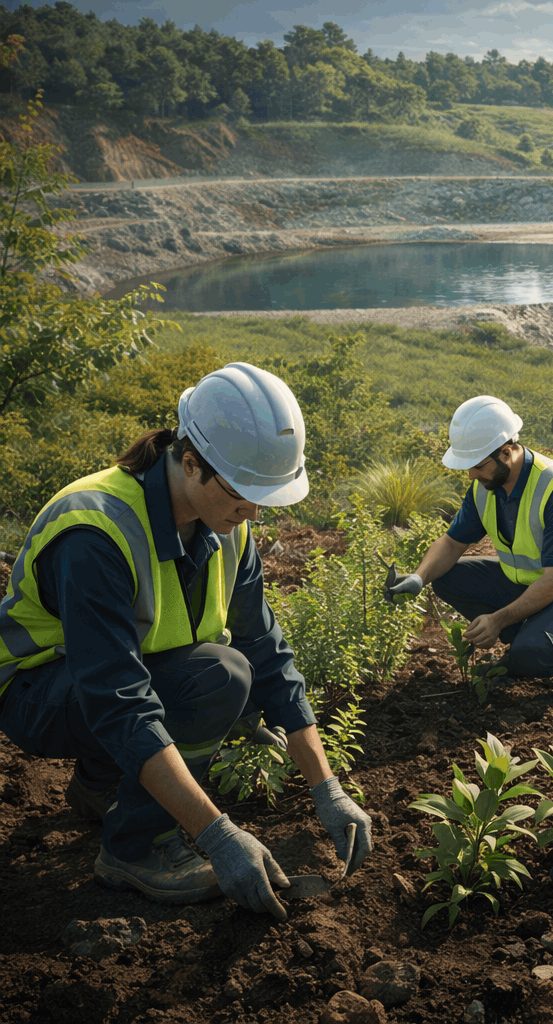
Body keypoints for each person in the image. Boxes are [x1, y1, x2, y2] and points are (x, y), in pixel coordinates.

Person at [0, 363, 372, 919]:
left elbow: (268, 652)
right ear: (191, 463)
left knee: (241, 678)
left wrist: (326, 787)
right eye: (244, 496)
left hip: (104, 687)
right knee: (220, 678)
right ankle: (136, 848)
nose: (254, 513)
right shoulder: (95, 533)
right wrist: (217, 836)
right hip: (36, 694)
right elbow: (118, 699)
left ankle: (104, 787)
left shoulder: (227, 524)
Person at [385, 395, 553, 688]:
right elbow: (450, 544)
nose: (471, 474)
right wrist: (418, 579)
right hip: (533, 581)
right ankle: (531, 633)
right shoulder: (486, 487)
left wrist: (498, 619)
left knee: (529, 655)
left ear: (507, 451)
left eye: (478, 465)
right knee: (446, 577)